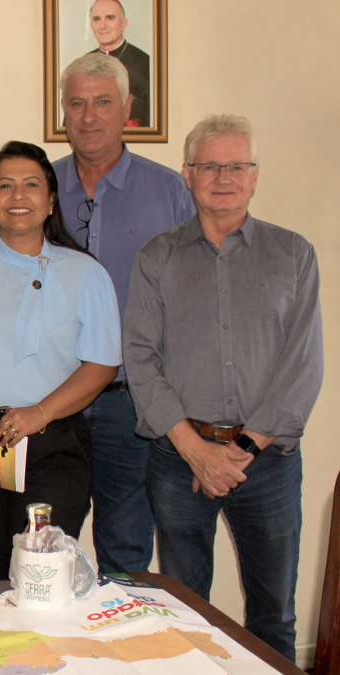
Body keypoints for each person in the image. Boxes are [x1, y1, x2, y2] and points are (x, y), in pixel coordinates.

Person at [124, 115, 324, 661]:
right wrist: (196, 451)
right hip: (179, 460)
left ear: (255, 176)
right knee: (186, 615)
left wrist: (241, 450)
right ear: (187, 175)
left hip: (269, 464)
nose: (223, 177)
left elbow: (304, 365)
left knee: (273, 615)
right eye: (209, 166)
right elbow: (140, 360)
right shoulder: (157, 258)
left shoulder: (294, 254)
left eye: (236, 166)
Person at [0, 141, 120, 580]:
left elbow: (102, 365)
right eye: (5, 185)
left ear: (51, 200)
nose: (18, 196)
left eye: (31, 185)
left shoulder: (85, 272)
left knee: (42, 576)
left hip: (53, 443)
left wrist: (40, 412)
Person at [53, 52, 194, 575]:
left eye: (103, 102)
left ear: (128, 107)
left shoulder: (170, 192)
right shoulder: (37, 187)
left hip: (130, 404)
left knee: (126, 552)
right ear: (63, 110)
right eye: (77, 103)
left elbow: (193, 298)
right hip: (50, 400)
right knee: (41, 547)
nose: (88, 116)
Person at [86, 0, 149, 126]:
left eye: (110, 18)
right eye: (97, 19)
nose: (102, 25)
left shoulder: (145, 63)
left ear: (123, 23)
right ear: (91, 25)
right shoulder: (83, 64)